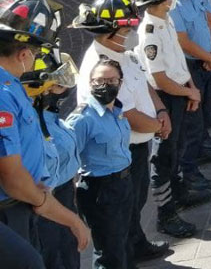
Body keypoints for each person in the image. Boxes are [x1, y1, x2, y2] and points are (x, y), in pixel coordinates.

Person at [71, 0, 174, 259]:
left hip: (138, 145)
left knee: (135, 203)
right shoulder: (101, 68)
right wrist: (157, 126)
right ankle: (127, 254)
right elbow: (126, 113)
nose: (132, 31)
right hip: (121, 153)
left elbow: (143, 84)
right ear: (109, 32)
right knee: (118, 219)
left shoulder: (122, 53)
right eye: (127, 27)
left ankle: (136, 245)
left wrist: (161, 111)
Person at [0, 0, 90, 257]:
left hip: (22, 201)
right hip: (10, 210)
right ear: (24, 54)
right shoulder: (3, 95)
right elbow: (11, 176)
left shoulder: (11, 86)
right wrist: (67, 216)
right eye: (38, 53)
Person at [130, 0, 211, 238]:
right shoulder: (150, 32)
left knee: (176, 148)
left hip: (179, 91)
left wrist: (190, 86)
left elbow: (176, 60)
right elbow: (159, 77)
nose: (171, 0)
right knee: (163, 157)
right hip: (165, 97)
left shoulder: (164, 20)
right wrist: (187, 93)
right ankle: (166, 213)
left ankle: (179, 194)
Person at [66, 59, 134, 269]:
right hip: (100, 190)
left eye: (111, 79)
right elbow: (68, 156)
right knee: (108, 251)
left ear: (120, 83)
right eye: (100, 80)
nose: (106, 85)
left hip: (123, 182)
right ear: (90, 83)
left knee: (122, 241)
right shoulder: (83, 119)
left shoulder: (117, 112)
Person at [169, 0, 211, 195]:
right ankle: (189, 175)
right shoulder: (173, 5)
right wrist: (207, 56)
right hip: (190, 65)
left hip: (205, 60)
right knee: (191, 125)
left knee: (202, 116)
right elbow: (183, 41)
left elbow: (204, 21)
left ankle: (201, 151)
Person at [34, 60, 81, 269]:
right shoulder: (31, 121)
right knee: (51, 254)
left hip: (64, 192)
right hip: (43, 202)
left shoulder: (51, 116)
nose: (63, 91)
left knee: (70, 248)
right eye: (58, 85)